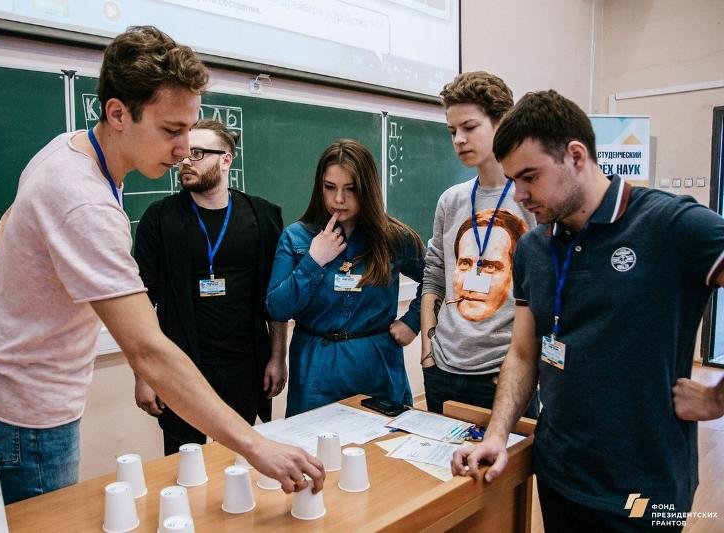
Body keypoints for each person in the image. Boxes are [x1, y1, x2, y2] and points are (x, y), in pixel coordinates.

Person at [0, 26, 324, 504]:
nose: (183, 149)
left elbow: (9, 222)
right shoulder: (87, 203)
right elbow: (148, 350)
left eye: (190, 129)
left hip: (9, 399)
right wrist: (256, 445)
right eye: (171, 130)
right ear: (119, 114)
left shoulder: (67, 149)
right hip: (30, 420)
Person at [453, 89, 724, 531]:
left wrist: (716, 398)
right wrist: (497, 434)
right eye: (514, 180)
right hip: (560, 474)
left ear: (576, 156)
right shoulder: (534, 249)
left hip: (644, 489)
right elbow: (523, 352)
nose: (519, 195)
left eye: (530, 177)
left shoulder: (670, 225)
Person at [133, 118, 287, 455]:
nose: (185, 161)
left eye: (198, 153)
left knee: (239, 462)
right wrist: (144, 374)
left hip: (244, 366)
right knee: (184, 465)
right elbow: (142, 301)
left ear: (226, 159)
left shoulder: (262, 217)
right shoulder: (159, 219)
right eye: (183, 154)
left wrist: (278, 357)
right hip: (181, 367)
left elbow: (274, 298)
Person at [266, 139, 424, 416]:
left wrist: (413, 321)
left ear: (368, 189)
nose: (338, 199)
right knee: (313, 439)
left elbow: (437, 278)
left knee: (384, 440)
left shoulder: (394, 237)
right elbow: (277, 308)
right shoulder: (297, 237)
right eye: (330, 187)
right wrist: (314, 261)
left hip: (377, 366)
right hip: (316, 368)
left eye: (351, 189)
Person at [421, 71, 538, 416]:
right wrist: (427, 351)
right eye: (452, 131)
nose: (459, 140)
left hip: (502, 371)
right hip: (444, 367)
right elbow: (434, 275)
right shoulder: (451, 201)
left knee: (511, 452)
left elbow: (545, 290)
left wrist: (522, 365)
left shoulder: (530, 199)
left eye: (469, 128)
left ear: (502, 123)